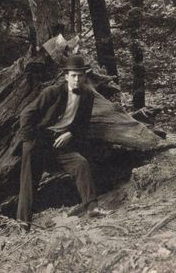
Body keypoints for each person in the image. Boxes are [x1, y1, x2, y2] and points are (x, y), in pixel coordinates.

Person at [16, 54, 108, 223]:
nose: (77, 79)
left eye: (80, 75)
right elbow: (26, 114)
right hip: (38, 141)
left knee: (81, 164)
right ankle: (23, 224)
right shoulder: (52, 92)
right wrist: (30, 142)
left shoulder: (88, 95)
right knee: (28, 182)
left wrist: (70, 133)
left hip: (60, 143)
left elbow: (83, 123)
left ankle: (92, 207)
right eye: (73, 75)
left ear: (85, 76)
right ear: (66, 76)